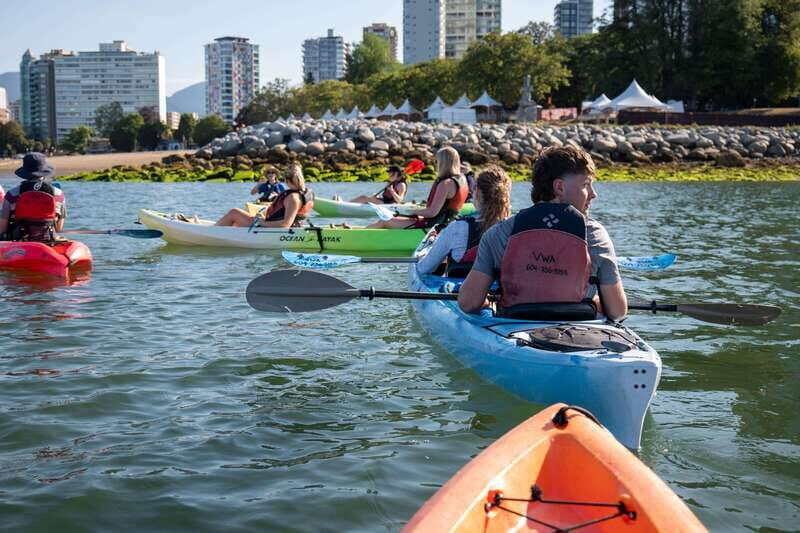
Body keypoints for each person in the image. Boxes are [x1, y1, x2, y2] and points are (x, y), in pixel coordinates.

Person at [457, 146, 628, 321]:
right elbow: (617, 311)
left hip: (514, 329)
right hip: (579, 331)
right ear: (559, 187)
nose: (593, 194)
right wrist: (595, 303)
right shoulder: (595, 235)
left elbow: (468, 302)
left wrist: (489, 303)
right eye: (585, 185)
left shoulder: (498, 233)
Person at [416, 165, 512, 277]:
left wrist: (423, 256)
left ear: (478, 192)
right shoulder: (514, 227)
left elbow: (424, 268)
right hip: (500, 289)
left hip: (460, 291)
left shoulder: (458, 228)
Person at [368, 147, 468, 229]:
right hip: (449, 224)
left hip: (435, 227)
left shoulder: (446, 184)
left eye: (437, 161)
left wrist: (410, 211)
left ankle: (359, 236)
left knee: (385, 221)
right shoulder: (462, 179)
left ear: (443, 163)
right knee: (390, 219)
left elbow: (432, 213)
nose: (436, 164)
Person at [216, 163, 314, 228]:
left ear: (286, 180)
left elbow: (285, 224)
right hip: (276, 226)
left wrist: (262, 222)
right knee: (237, 222)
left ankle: (212, 232)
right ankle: (220, 229)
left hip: (273, 230)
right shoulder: (303, 193)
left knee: (234, 213)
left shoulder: (293, 198)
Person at [0, 152, 66, 241]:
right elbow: (58, 228)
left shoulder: (11, 194)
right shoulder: (59, 194)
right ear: (44, 172)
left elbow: (3, 228)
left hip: (19, 238)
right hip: (48, 238)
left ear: (25, 172)